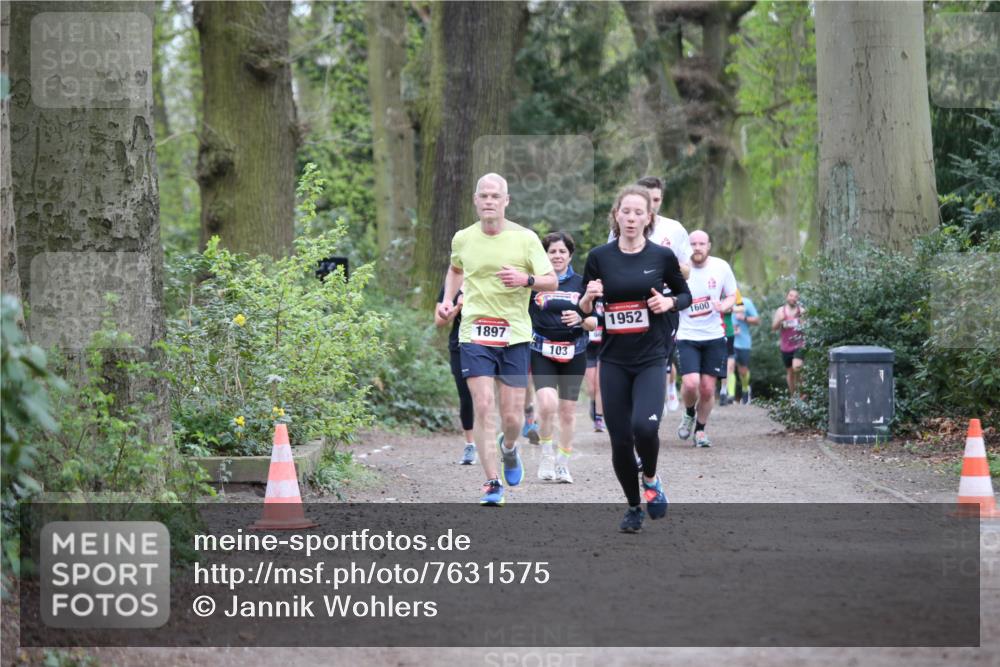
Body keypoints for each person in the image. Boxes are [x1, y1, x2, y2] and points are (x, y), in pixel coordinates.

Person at [437, 173, 557, 506]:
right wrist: (447, 299)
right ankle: (492, 483)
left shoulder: (526, 239)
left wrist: (525, 279)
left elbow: (551, 281)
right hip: (474, 332)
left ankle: (509, 447)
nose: (489, 201)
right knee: (484, 405)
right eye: (484, 196)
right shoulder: (463, 238)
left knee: (512, 416)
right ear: (476, 200)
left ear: (506, 201)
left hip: (515, 335)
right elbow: (456, 268)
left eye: (495, 196)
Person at [582, 185, 692, 533]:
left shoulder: (661, 256)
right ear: (616, 215)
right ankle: (633, 505)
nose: (631, 218)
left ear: (649, 218)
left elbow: (685, 294)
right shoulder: (600, 256)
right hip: (613, 359)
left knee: (645, 427)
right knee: (620, 440)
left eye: (638, 213)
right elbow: (583, 308)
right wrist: (588, 297)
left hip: (650, 358)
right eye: (625, 212)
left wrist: (669, 303)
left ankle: (652, 477)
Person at [610, 176, 693, 412]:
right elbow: (610, 260)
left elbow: (687, 271)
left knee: (661, 352)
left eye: (655, 199)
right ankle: (636, 398)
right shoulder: (624, 224)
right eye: (647, 199)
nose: (652, 204)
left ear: (660, 200)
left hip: (663, 302)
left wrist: (664, 267)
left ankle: (661, 387)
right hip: (629, 303)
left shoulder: (674, 229)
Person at [529, 232, 589, 484]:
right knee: (546, 404)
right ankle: (546, 455)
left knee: (567, 411)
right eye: (552, 251)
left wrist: (581, 319)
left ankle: (563, 463)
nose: (557, 256)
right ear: (545, 255)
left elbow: (596, 320)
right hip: (542, 349)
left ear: (570, 255)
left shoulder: (581, 283)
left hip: (574, 350)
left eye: (562, 251)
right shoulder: (535, 283)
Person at [675, 230, 738, 448]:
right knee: (691, 384)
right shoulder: (679, 269)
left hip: (714, 335)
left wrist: (725, 305)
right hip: (686, 335)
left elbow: (732, 295)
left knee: (708, 388)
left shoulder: (721, 267)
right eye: (693, 243)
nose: (697, 247)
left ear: (709, 246)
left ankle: (700, 430)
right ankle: (689, 412)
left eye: (702, 243)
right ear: (687, 246)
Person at [772, 288, 805, 398]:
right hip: (785, 346)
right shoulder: (780, 311)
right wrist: (780, 321)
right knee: (790, 372)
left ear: (798, 299)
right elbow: (774, 328)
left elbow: (808, 328)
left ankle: (803, 394)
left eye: (795, 296)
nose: (793, 298)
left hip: (799, 344)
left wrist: (802, 323)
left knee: (797, 367)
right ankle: (793, 397)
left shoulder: (802, 311)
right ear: (787, 297)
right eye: (791, 296)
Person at [731, 290, 760, 404]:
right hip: (729, 340)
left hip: (743, 342)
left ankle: (745, 389)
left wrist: (744, 318)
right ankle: (730, 396)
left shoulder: (746, 302)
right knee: (730, 366)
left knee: (743, 370)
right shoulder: (723, 302)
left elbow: (757, 320)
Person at [583, 300, 605, 432]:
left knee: (599, 384)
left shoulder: (609, 291)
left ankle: (599, 419)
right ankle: (594, 403)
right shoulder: (586, 294)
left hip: (604, 345)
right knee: (591, 388)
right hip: (589, 346)